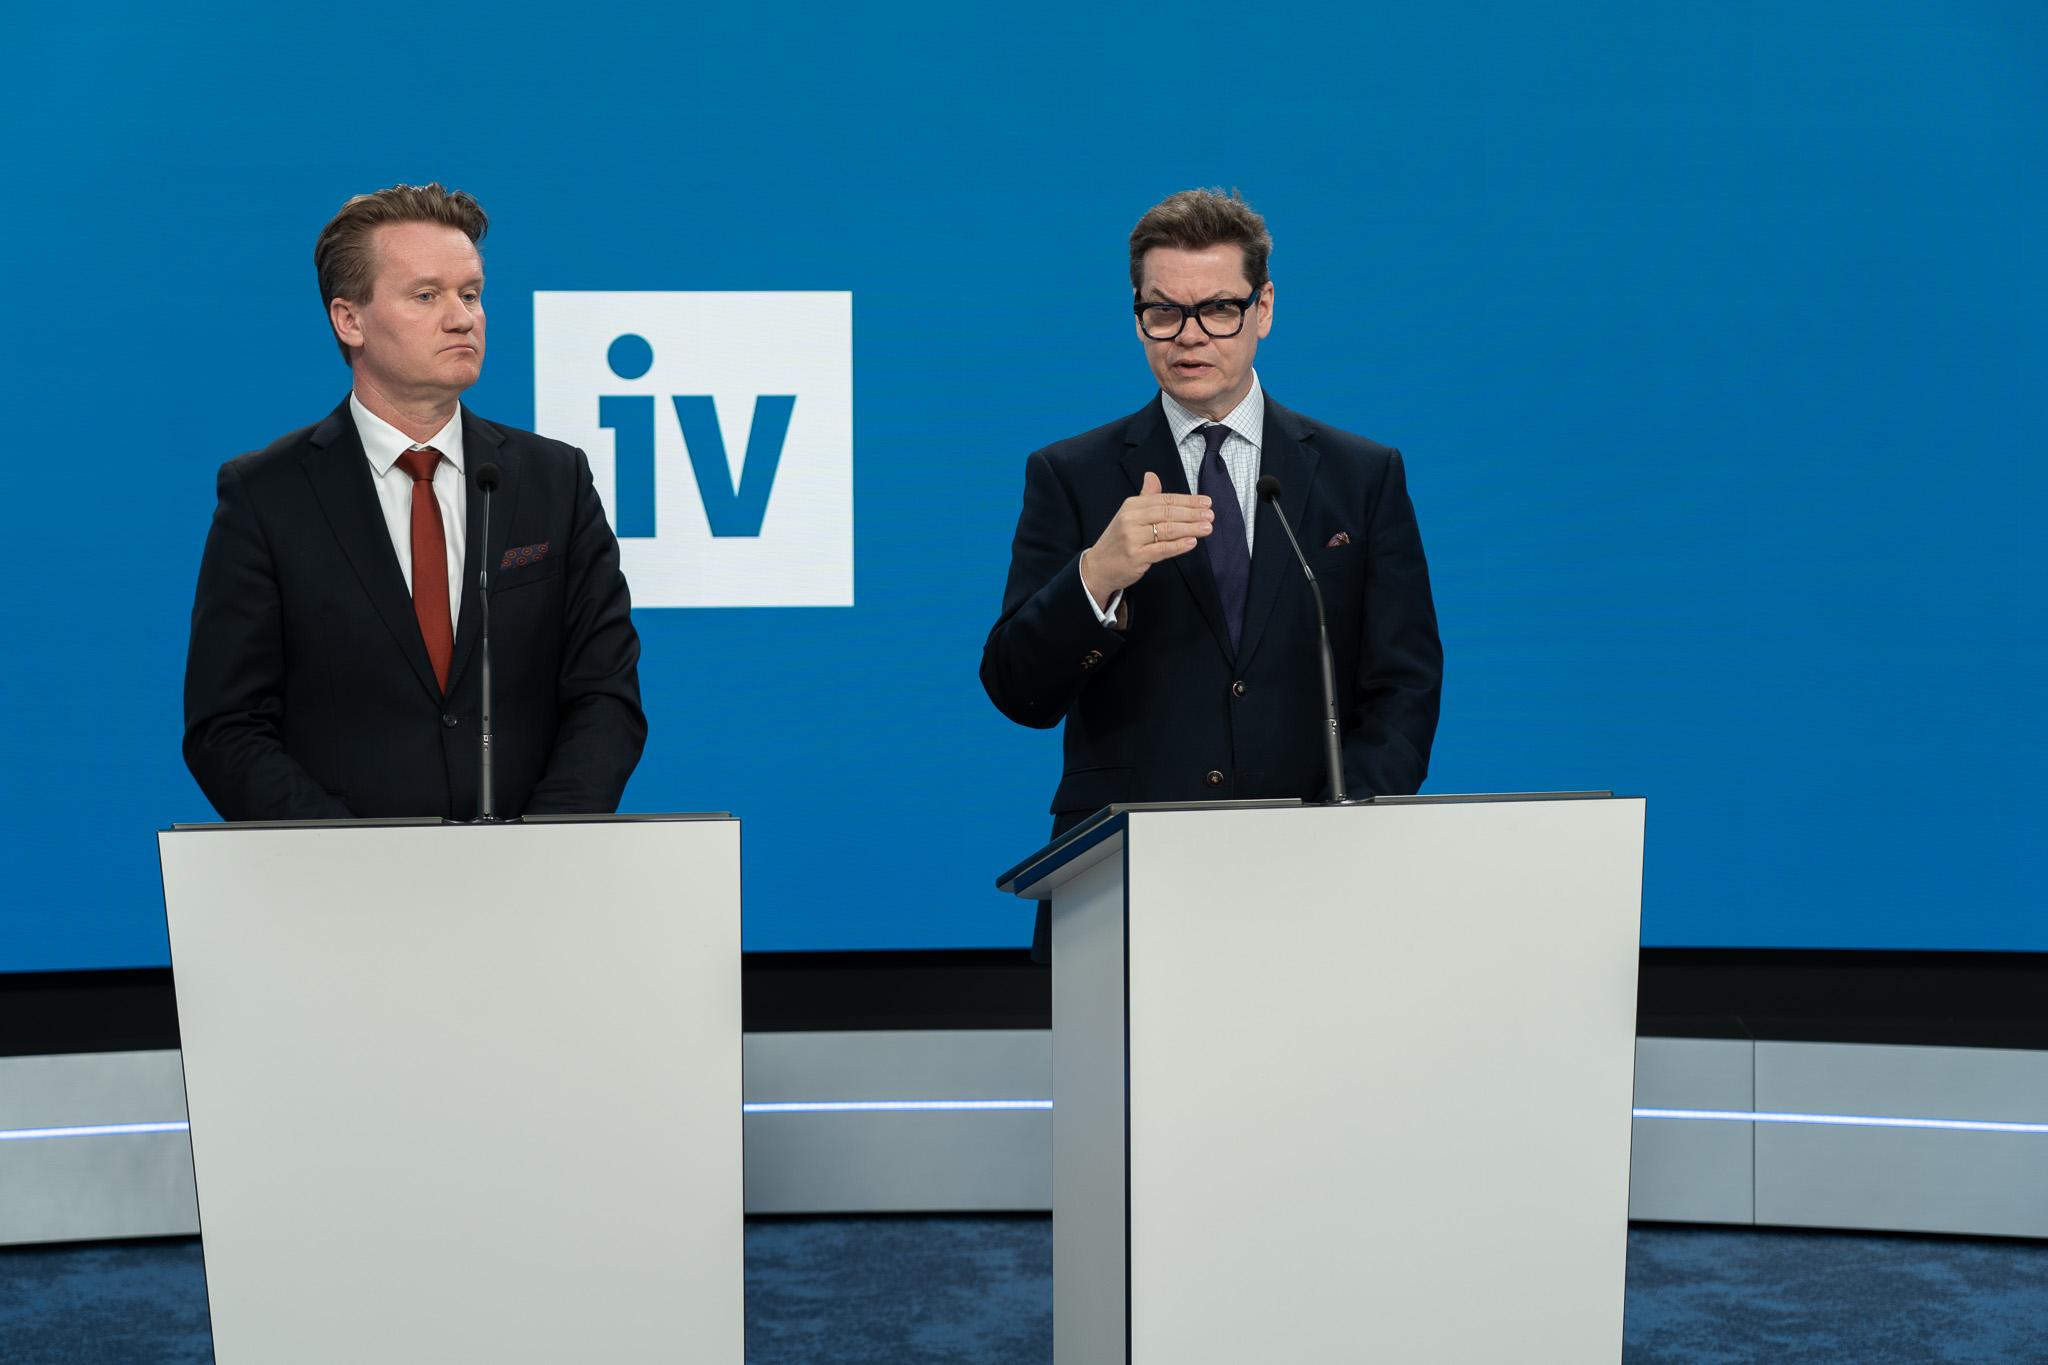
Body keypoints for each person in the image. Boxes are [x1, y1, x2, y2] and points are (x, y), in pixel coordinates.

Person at [980, 188, 1442, 953]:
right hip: (1125, 876)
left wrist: (1344, 823)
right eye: (1163, 311)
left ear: (1263, 308)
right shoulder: (1073, 474)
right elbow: (1016, 689)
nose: (1189, 335)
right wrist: (1097, 575)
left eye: (1218, 309)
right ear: (1137, 315)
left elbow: (1405, 684)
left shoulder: (1361, 476)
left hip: (1317, 872)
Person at [183, 183, 644, 822]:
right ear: (349, 320)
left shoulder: (554, 480)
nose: (462, 318)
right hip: (340, 873)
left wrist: (544, 844)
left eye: (471, 294)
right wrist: (353, 857)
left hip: (535, 865)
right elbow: (228, 727)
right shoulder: (266, 495)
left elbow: (604, 694)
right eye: (426, 296)